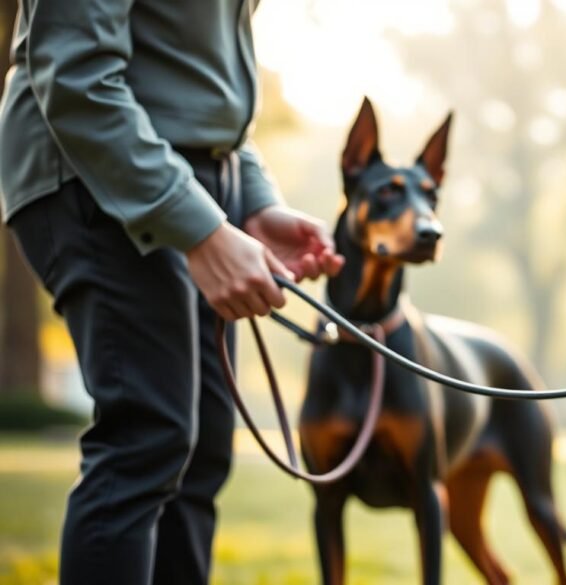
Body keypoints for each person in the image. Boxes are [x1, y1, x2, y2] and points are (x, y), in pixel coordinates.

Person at [0, 1, 343, 583]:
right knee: (148, 441)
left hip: (192, 183)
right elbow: (76, 75)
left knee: (201, 452)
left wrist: (251, 199)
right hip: (95, 173)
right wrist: (200, 228)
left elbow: (196, 75)